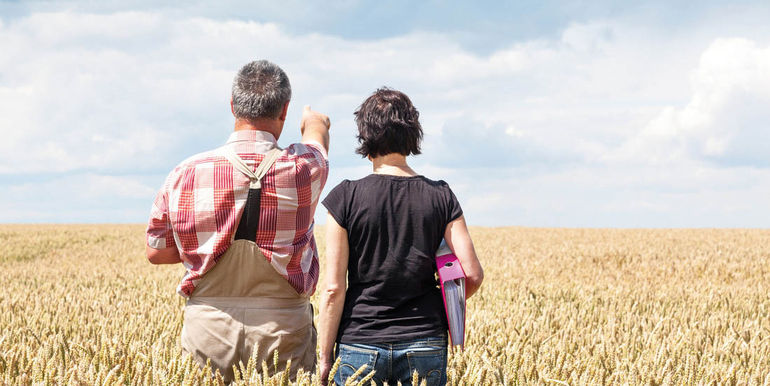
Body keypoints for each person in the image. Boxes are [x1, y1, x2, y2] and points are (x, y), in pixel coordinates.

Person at [145, 60, 330, 382]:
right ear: (284, 110)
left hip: (209, 328)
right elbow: (318, 142)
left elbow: (156, 252)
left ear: (233, 106)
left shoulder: (184, 172)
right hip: (283, 329)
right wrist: (315, 122)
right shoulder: (305, 167)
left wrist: (206, 247)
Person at [317, 88, 484, 386]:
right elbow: (471, 274)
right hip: (425, 340)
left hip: (359, 342)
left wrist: (326, 356)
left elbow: (332, 289)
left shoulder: (344, 198)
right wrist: (438, 307)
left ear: (365, 138)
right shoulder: (441, 195)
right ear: (412, 137)